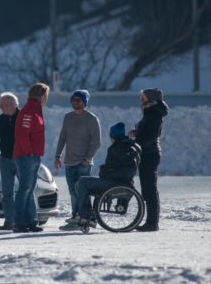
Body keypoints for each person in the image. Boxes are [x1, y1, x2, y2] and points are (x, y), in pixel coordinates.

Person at [68, 122, 142, 229]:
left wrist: (105, 172)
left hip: (114, 183)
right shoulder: (128, 146)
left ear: (113, 137)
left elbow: (128, 170)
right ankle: (88, 215)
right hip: (119, 182)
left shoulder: (119, 148)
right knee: (80, 182)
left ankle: (85, 216)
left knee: (82, 182)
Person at [54, 89, 102, 230]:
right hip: (69, 162)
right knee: (72, 192)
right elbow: (63, 137)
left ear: (84, 102)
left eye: (78, 100)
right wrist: (57, 155)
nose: (75, 102)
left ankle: (86, 218)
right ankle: (76, 218)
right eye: (73, 100)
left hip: (83, 164)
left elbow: (97, 142)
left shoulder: (91, 119)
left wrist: (88, 158)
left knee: (83, 192)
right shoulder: (68, 117)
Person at [12, 82, 50, 233]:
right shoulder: (29, 111)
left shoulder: (35, 110)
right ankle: (19, 222)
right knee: (25, 189)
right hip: (26, 157)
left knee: (30, 189)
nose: (47, 98)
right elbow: (22, 134)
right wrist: (29, 152)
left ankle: (31, 221)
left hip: (32, 156)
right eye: (46, 95)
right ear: (41, 96)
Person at [130, 88, 168, 232]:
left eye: (143, 97)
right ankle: (151, 222)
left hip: (150, 153)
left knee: (150, 189)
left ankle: (152, 223)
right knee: (147, 189)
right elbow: (146, 134)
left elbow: (151, 136)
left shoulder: (154, 113)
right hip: (147, 152)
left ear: (151, 98)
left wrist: (136, 142)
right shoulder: (150, 112)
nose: (141, 99)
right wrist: (136, 134)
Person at [0, 92, 20, 230]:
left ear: (10, 105)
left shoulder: (23, 117)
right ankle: (9, 221)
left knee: (25, 190)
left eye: (2, 105)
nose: (0, 107)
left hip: (21, 159)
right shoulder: (1, 119)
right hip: (5, 159)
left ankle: (26, 220)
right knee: (7, 193)